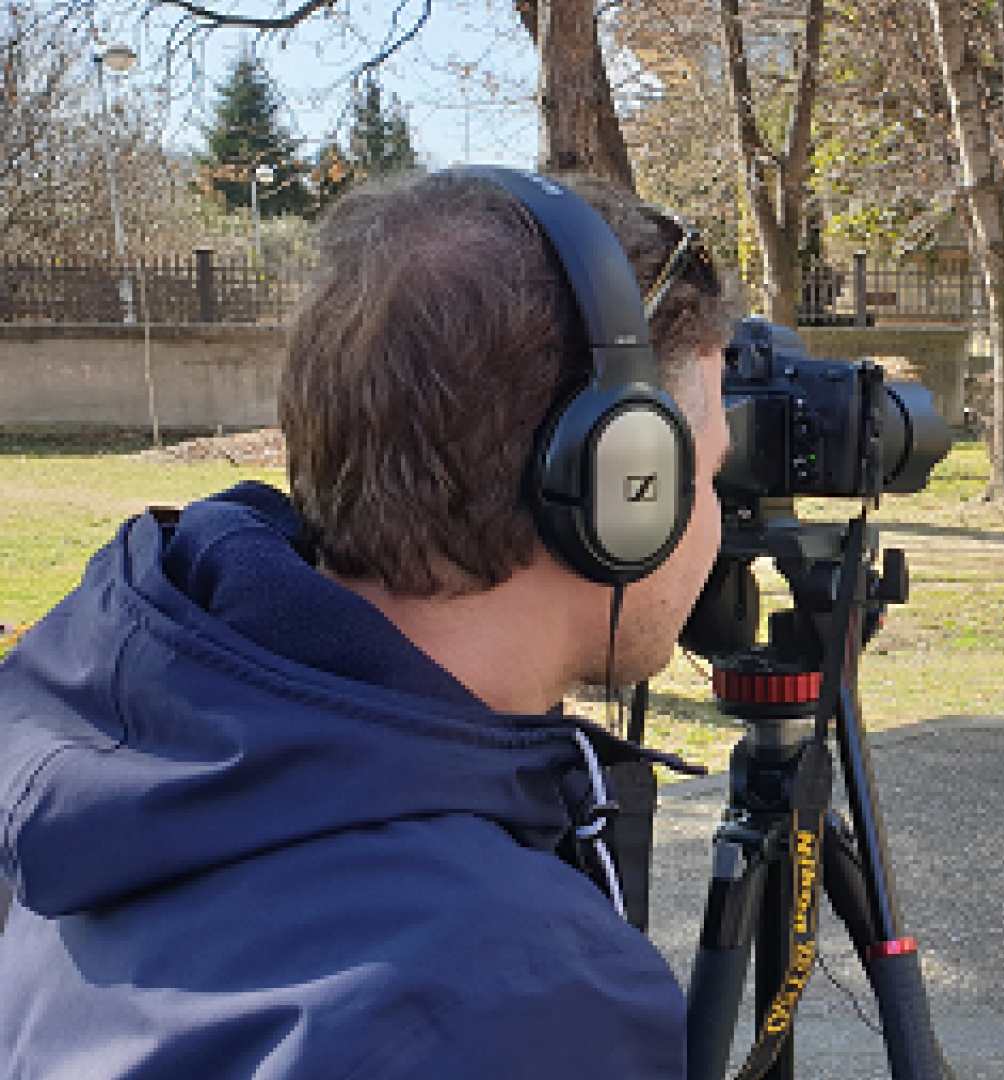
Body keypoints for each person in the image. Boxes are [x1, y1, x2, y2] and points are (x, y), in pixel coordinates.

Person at [0, 170, 740, 1078]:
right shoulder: (520, 993)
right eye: (706, 478)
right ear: (619, 492)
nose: (719, 519)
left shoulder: (102, 758)